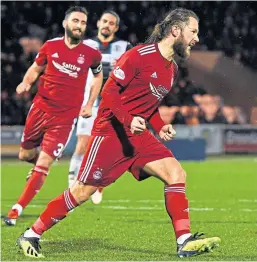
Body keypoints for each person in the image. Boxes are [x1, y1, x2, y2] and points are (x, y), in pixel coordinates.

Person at [17, 8, 221, 258]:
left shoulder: (171, 69)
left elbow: (149, 106)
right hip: (111, 132)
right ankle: (31, 234)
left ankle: (184, 241)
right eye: (193, 32)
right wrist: (128, 119)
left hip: (139, 136)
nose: (196, 39)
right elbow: (110, 91)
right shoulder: (138, 55)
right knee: (82, 191)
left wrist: (159, 126)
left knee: (176, 173)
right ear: (176, 31)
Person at [4, 6, 103, 226]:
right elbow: (35, 68)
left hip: (65, 119)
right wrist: (26, 83)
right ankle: (36, 166)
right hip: (39, 109)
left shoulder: (91, 54)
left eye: (83, 22)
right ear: (66, 24)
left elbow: (98, 77)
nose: (79, 26)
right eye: (75, 21)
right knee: (24, 154)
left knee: (44, 164)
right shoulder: (51, 46)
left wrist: (89, 103)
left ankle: (16, 210)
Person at [68, 10, 133, 205]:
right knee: (82, 144)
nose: (107, 25)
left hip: (114, 106)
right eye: (104, 21)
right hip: (90, 103)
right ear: (97, 23)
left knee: (109, 149)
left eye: (111, 23)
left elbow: (133, 74)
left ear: (116, 27)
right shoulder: (86, 45)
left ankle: (99, 184)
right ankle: (72, 187)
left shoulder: (124, 47)